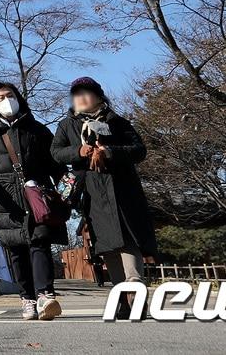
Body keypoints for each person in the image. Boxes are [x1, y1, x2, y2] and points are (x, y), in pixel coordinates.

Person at [0, 82, 67, 321]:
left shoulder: (36, 129)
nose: (7, 100)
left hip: (37, 194)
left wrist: (65, 185)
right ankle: (27, 299)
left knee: (40, 240)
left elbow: (54, 161)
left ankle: (46, 295)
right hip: (5, 197)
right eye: (1, 97)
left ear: (19, 98)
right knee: (17, 249)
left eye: (11, 95)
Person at [51, 76, 157, 292]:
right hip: (91, 190)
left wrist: (109, 152)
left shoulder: (116, 121)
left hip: (122, 187)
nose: (80, 98)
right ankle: (121, 292)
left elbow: (139, 150)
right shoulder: (66, 125)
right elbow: (55, 152)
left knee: (128, 235)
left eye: (86, 93)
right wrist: (79, 152)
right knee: (106, 242)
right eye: (76, 94)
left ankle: (135, 283)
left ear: (98, 96)